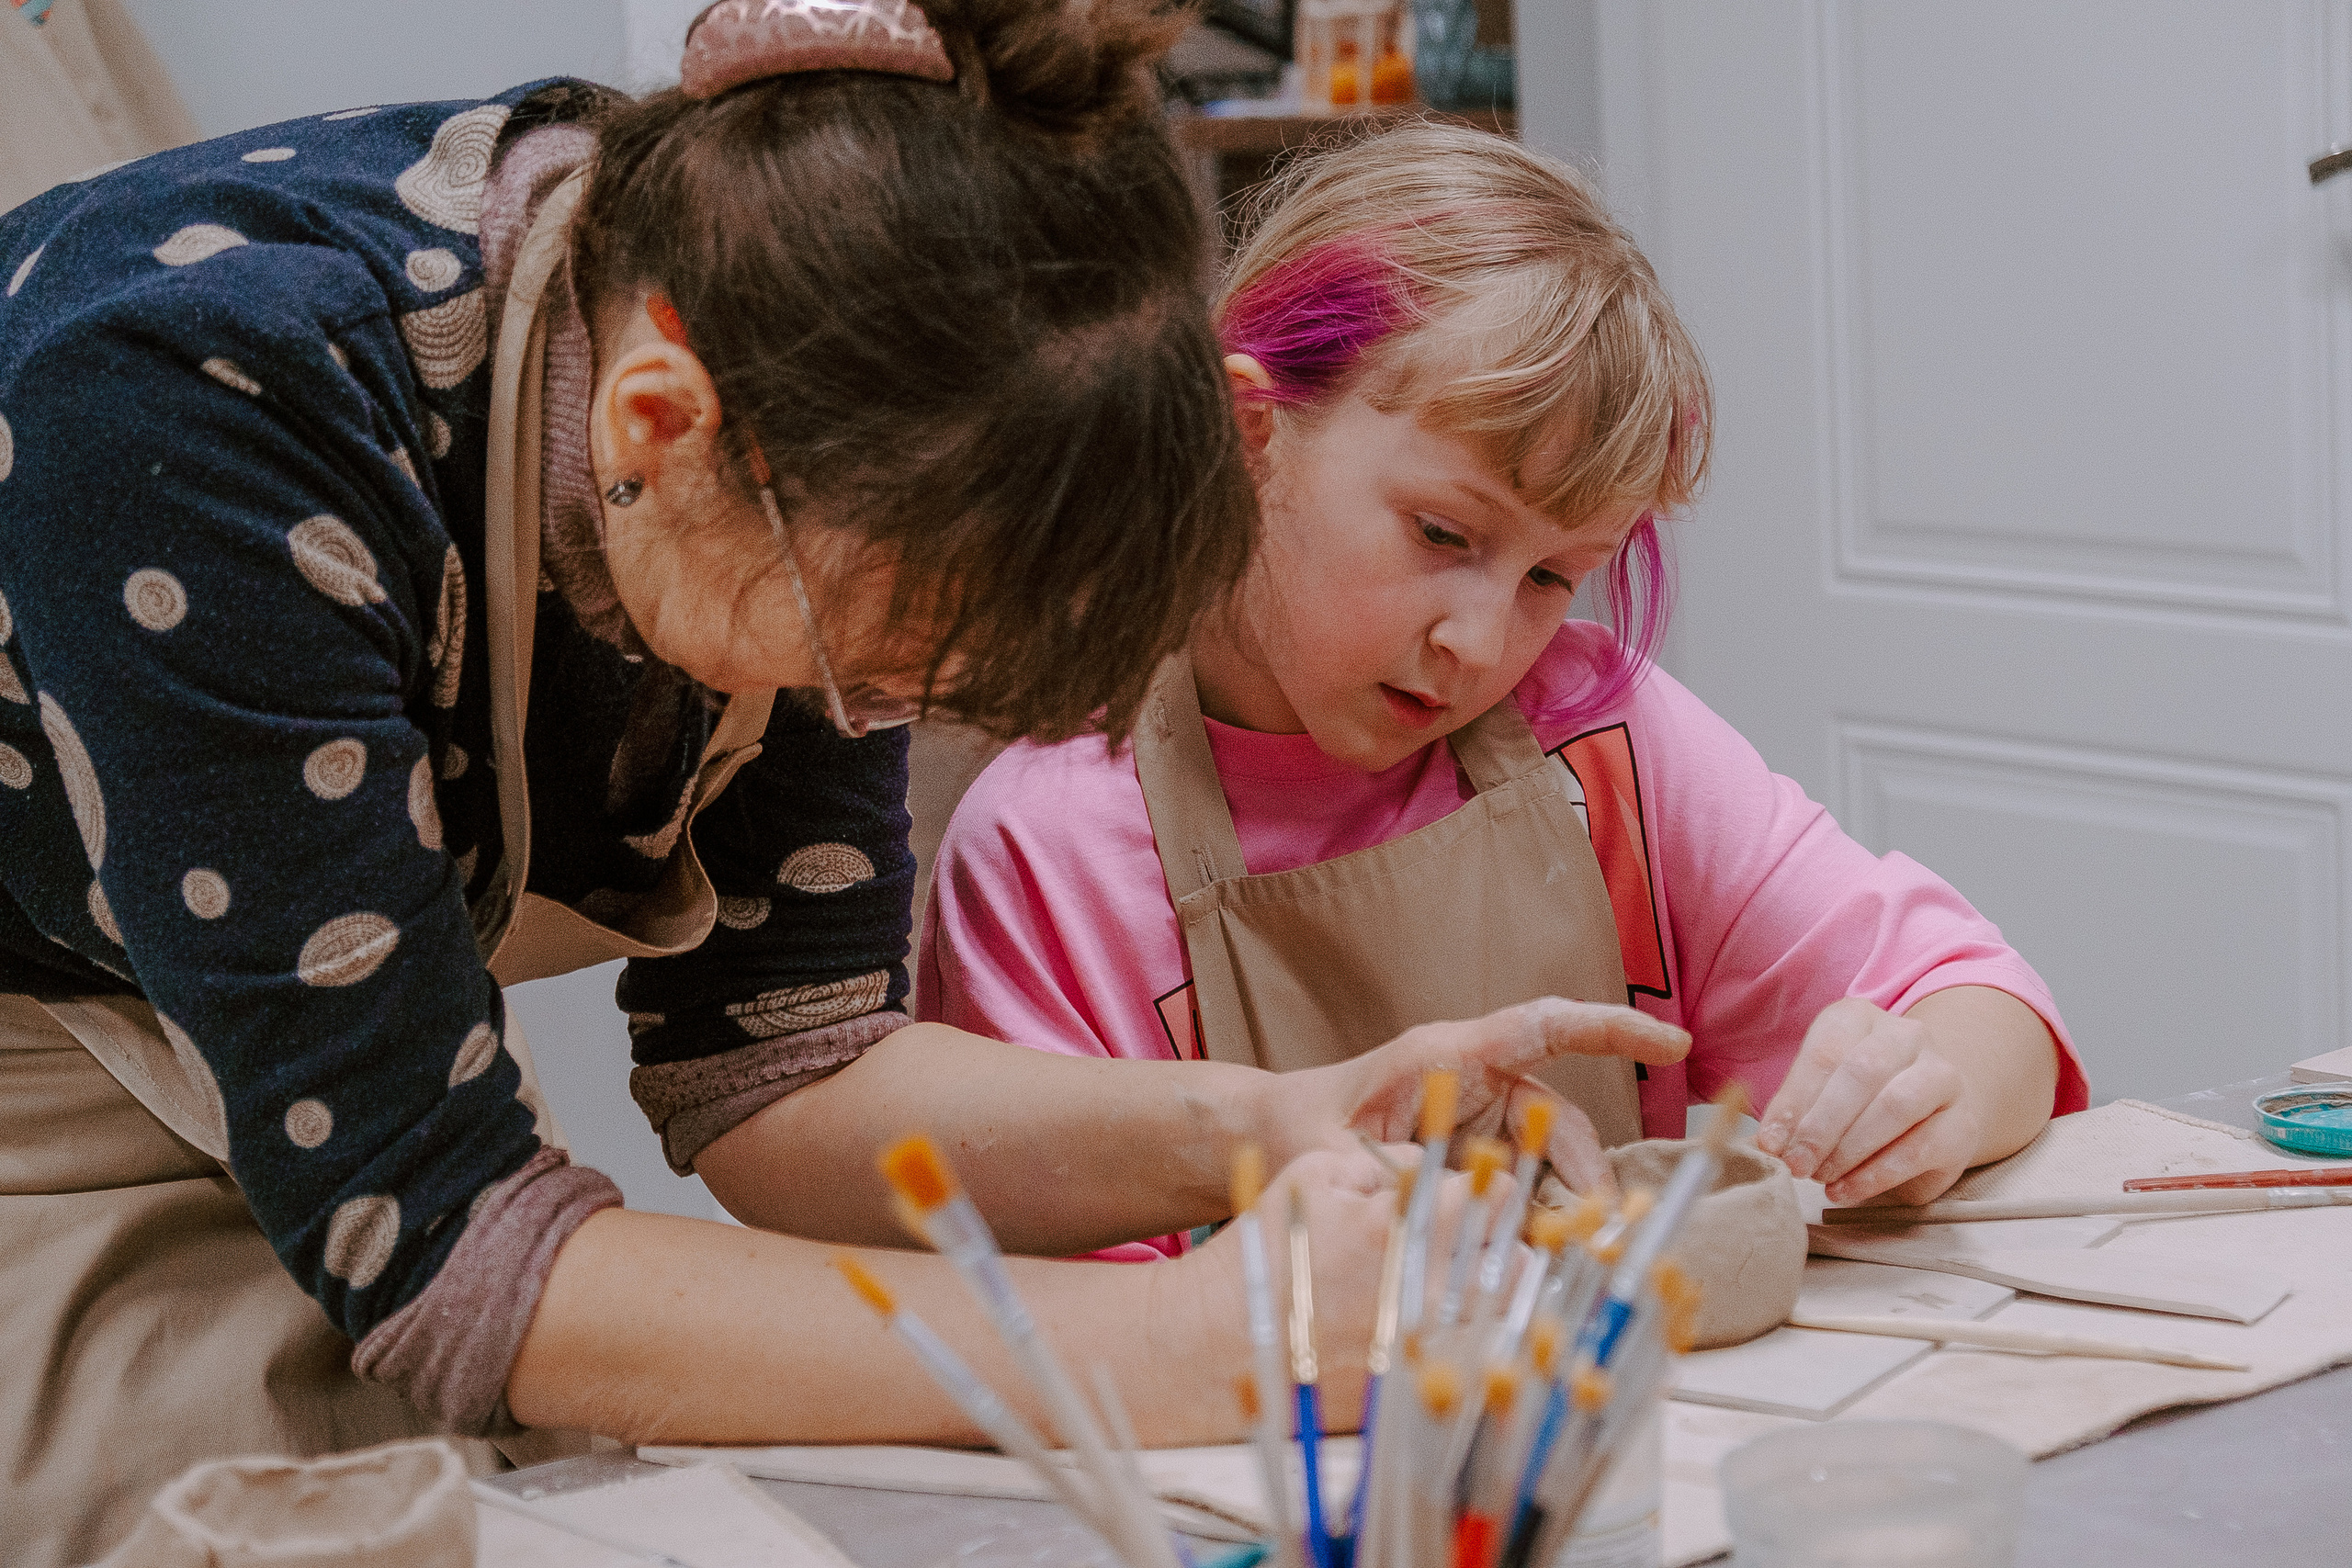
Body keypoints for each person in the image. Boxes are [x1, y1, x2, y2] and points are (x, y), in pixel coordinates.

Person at [0, 6, 1690, 1562]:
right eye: (878, 671)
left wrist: (1264, 1126)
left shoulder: (837, 391)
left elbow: (782, 1071)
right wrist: (1189, 1348)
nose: (868, 713)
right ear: (663, 424)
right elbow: (445, 1257)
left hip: (288, 1034)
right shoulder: (187, 416)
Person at [920, 124, 2090, 1263]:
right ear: (1247, 433)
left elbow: (1981, 1005)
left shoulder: (1605, 736)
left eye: (1549, 576)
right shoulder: (1050, 848)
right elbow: (1080, 1334)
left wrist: (1925, 1093)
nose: (1480, 644)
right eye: (1441, 533)